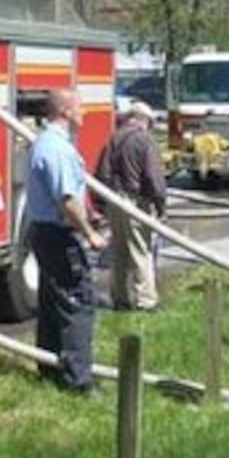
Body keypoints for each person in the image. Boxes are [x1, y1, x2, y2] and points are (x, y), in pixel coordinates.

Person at [25, 86, 107, 392]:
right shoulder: (57, 148)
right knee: (77, 301)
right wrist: (90, 233)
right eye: (80, 107)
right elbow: (67, 199)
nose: (84, 113)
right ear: (66, 112)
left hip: (46, 232)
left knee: (52, 301)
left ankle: (49, 368)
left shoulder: (48, 143)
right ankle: (78, 381)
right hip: (59, 234)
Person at [95, 99, 167, 311]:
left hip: (114, 200)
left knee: (119, 251)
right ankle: (146, 300)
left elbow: (102, 173)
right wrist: (161, 205)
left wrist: (102, 205)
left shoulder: (113, 139)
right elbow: (154, 178)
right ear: (143, 120)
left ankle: (119, 298)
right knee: (140, 250)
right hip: (135, 201)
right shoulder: (144, 141)